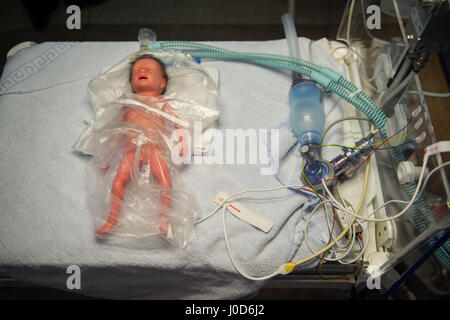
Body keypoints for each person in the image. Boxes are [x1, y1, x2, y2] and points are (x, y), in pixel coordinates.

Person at [95, 55, 186, 236]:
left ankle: (164, 219)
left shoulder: (161, 103)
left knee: (165, 181)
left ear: (162, 83)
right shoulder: (127, 103)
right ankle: (112, 220)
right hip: (130, 150)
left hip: (154, 148)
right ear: (131, 85)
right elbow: (116, 129)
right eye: (137, 71)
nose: (142, 71)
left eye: (149, 70)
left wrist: (181, 140)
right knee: (118, 182)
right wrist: (108, 153)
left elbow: (177, 122)